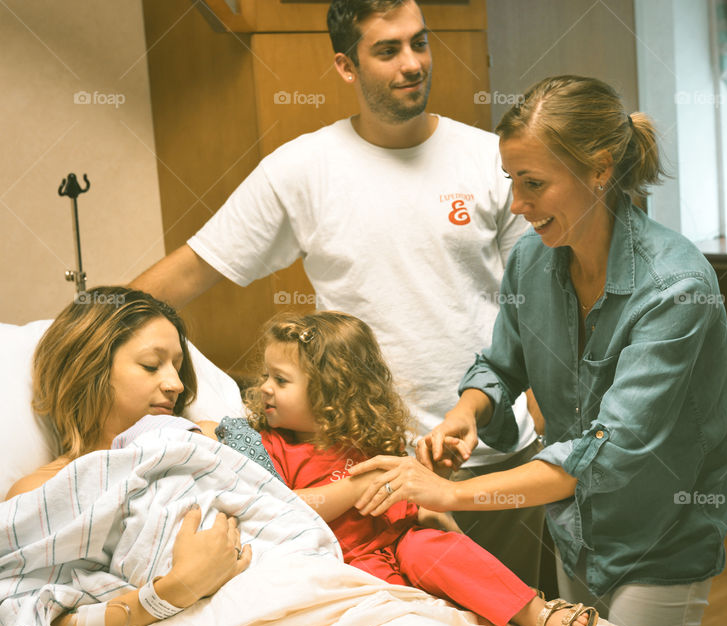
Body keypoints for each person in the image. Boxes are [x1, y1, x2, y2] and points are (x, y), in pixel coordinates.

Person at [129, 0, 544, 586]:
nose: (413, 63)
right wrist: (86, 325)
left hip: (493, 460)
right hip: (367, 470)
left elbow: (537, 310)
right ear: (346, 67)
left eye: (419, 43)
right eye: (388, 50)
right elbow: (197, 267)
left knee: (519, 615)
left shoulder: (488, 161)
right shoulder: (302, 169)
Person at [347, 75, 727, 626]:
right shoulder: (534, 258)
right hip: (575, 531)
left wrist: (450, 495)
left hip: (662, 538)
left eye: (533, 183)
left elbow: (609, 451)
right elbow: (502, 366)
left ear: (600, 169)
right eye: (511, 180)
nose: (517, 204)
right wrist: (467, 414)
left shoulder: (675, 287)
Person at [244, 311, 597, 626]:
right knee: (400, 617)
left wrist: (431, 486)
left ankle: (537, 614)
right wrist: (357, 487)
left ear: (330, 391)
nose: (265, 387)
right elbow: (282, 510)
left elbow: (414, 506)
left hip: (399, 544)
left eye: (281, 379)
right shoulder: (272, 447)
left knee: (434, 549)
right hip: (343, 562)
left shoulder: (365, 437)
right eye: (266, 376)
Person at [6, 286, 251, 626]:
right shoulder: (40, 491)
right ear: (87, 369)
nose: (176, 384)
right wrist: (171, 592)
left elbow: (282, 504)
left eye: (178, 368)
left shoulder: (205, 438)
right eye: (151, 365)